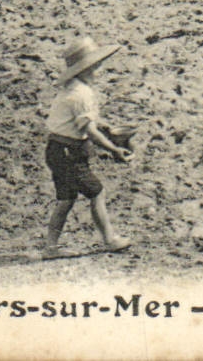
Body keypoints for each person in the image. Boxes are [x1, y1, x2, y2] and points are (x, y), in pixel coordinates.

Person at [40, 37, 133, 258]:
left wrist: (101, 126)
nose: (97, 70)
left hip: (56, 149)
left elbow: (78, 122)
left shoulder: (70, 90)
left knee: (65, 199)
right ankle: (110, 240)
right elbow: (89, 131)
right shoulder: (82, 94)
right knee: (97, 192)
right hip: (69, 154)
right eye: (95, 66)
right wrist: (113, 148)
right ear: (86, 68)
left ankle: (50, 247)